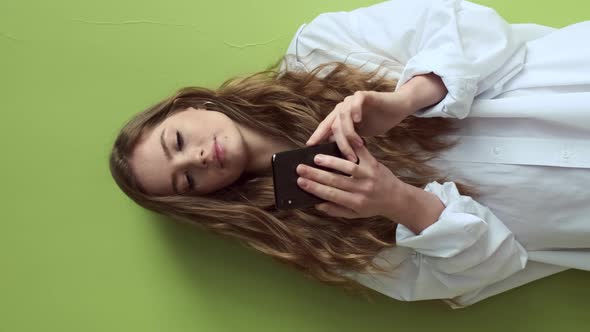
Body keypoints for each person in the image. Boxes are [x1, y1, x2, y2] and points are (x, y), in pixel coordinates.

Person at [109, 0, 590, 308]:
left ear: (189, 106)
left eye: (176, 141)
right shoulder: (316, 236)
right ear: (204, 198)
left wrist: (404, 100)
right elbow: (488, 268)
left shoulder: (319, 51)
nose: (195, 159)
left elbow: (472, 27)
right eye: (186, 180)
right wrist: (396, 200)